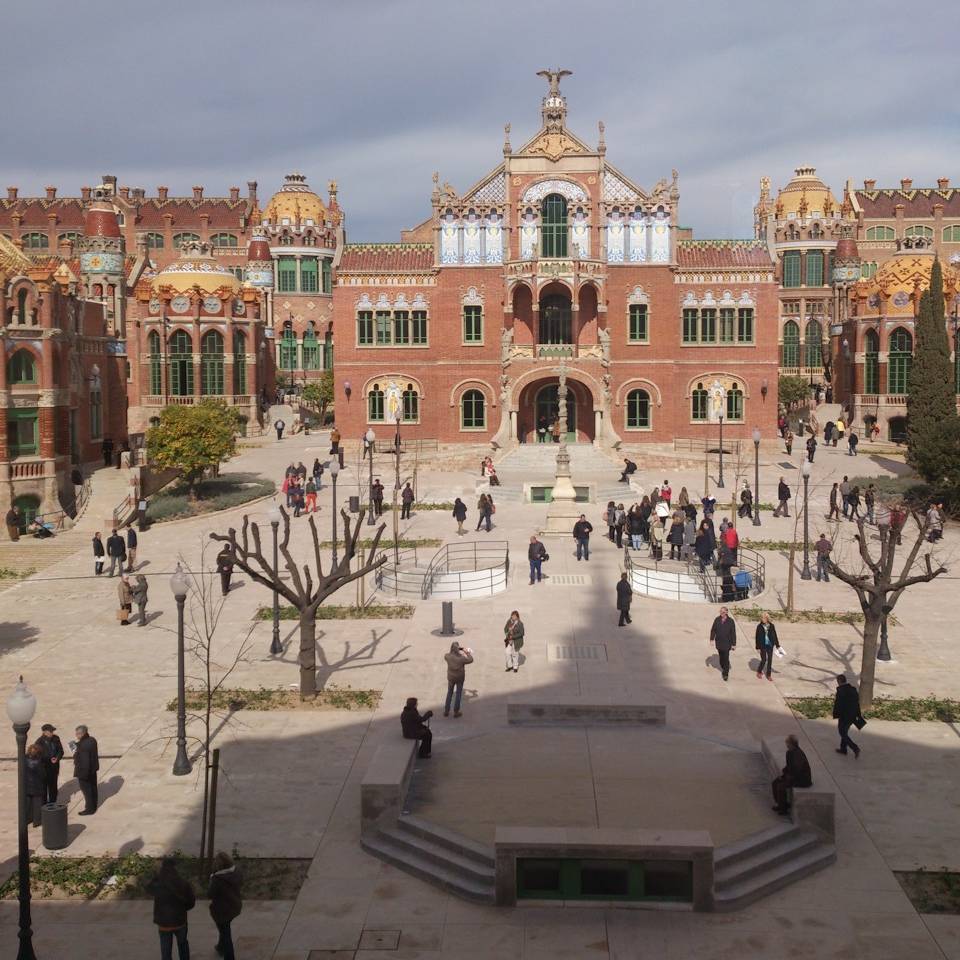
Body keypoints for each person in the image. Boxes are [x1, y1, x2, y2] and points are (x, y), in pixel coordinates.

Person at [146, 857, 196, 960]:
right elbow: (191, 902)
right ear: (175, 868)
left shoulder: (158, 884)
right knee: (183, 945)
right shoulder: (183, 883)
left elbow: (148, 889)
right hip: (180, 921)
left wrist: (156, 877)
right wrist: (182, 909)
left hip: (164, 924)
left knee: (166, 950)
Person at [208, 851, 242, 960]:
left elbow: (210, 894)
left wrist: (211, 881)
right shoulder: (237, 872)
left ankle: (229, 956)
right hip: (235, 906)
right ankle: (220, 946)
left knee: (225, 932)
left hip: (221, 911)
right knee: (224, 928)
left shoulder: (217, 879)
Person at [772, 734, 813, 815]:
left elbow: (797, 770)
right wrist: (783, 774)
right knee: (775, 782)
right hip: (793, 775)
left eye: (787, 743)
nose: (786, 745)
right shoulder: (790, 752)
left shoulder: (798, 754)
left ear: (791, 744)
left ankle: (783, 809)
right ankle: (781, 804)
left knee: (781, 786)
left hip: (802, 779)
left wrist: (787, 777)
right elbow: (789, 766)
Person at [833, 674, 864, 757]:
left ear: (839, 681)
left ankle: (855, 747)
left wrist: (836, 714)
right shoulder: (853, 690)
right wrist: (858, 714)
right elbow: (857, 703)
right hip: (853, 715)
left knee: (842, 732)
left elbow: (839, 705)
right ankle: (843, 749)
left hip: (844, 716)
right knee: (845, 731)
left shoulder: (841, 691)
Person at [36, 723, 64, 804]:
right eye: (50, 731)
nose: (52, 733)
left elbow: (60, 751)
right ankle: (44, 806)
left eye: (52, 731)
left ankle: (53, 803)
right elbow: (38, 757)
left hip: (54, 768)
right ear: (45, 732)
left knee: (53, 788)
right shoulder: (39, 742)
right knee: (44, 789)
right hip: (44, 769)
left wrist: (57, 758)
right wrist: (49, 759)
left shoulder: (56, 738)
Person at [73, 725, 99, 814]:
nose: (76, 736)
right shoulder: (92, 740)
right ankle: (94, 806)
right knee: (93, 788)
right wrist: (78, 745)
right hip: (92, 770)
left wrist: (83, 775)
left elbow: (85, 761)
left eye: (77, 734)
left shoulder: (83, 746)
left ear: (81, 733)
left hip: (85, 771)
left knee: (87, 791)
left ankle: (89, 809)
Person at [443, 642, 473, 718]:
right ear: (457, 650)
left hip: (451, 678)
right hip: (459, 678)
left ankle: (446, 711)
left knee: (449, 693)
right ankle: (456, 712)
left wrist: (457, 649)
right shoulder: (461, 659)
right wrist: (466, 652)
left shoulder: (447, 657)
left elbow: (446, 655)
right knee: (458, 694)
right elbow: (471, 660)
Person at [709, 607, 737, 681]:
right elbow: (713, 630)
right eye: (720, 612)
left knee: (726, 658)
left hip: (727, 643)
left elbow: (733, 633)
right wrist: (711, 639)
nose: (721, 613)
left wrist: (734, 644)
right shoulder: (717, 619)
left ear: (727, 612)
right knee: (721, 659)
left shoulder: (731, 621)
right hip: (719, 642)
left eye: (723, 612)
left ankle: (725, 674)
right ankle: (723, 666)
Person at [755, 612, 780, 680]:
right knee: (764, 660)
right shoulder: (759, 626)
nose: (762, 619)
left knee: (770, 660)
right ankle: (759, 671)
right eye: (762, 618)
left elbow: (774, 635)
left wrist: (777, 645)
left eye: (763, 618)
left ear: (767, 618)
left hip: (770, 645)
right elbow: (757, 637)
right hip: (762, 646)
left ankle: (768, 675)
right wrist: (757, 647)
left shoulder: (771, 626)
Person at [24, 744, 44, 827]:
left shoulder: (24, 759)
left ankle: (27, 819)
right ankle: (37, 821)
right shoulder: (39, 761)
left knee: (28, 804)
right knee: (37, 804)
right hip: (37, 786)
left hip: (27, 785)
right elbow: (42, 774)